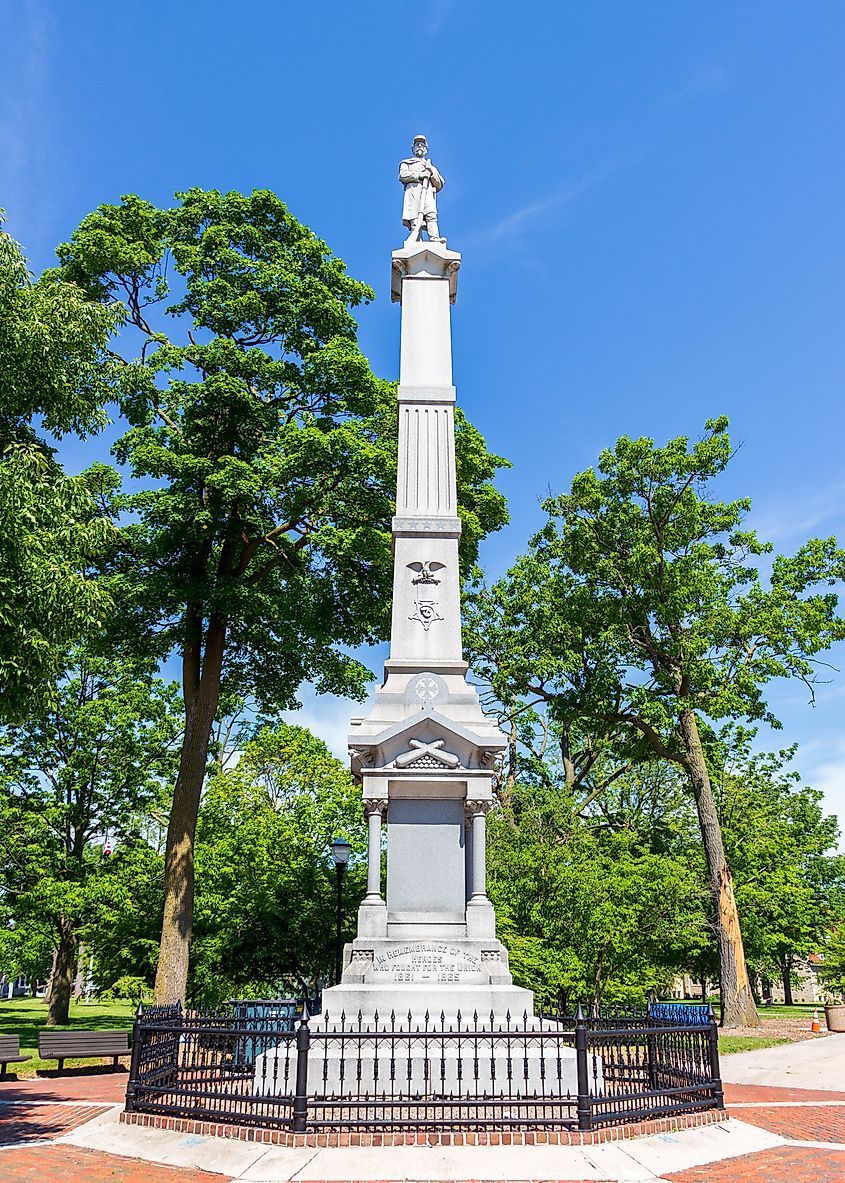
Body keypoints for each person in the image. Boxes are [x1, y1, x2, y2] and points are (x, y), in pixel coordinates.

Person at [399, 135, 445, 244]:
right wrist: (419, 175)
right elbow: (402, 175)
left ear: (426, 149)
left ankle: (434, 239)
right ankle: (416, 241)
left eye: (422, 145)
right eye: (417, 144)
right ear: (413, 148)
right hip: (413, 193)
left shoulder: (430, 166)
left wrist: (431, 171)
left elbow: (440, 183)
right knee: (415, 218)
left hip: (427, 193)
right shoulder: (406, 163)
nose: (419, 146)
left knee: (431, 215)